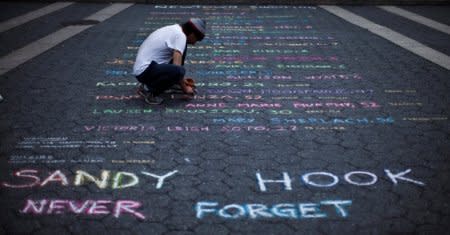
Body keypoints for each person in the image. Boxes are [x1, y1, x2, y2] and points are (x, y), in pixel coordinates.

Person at [132, 18, 206, 104]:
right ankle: (148, 90)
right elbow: (177, 68)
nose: (194, 43)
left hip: (145, 68)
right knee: (179, 71)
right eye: (197, 40)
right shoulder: (180, 36)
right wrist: (185, 88)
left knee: (181, 55)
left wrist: (181, 80)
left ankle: (169, 83)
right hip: (145, 71)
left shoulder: (175, 29)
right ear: (193, 34)